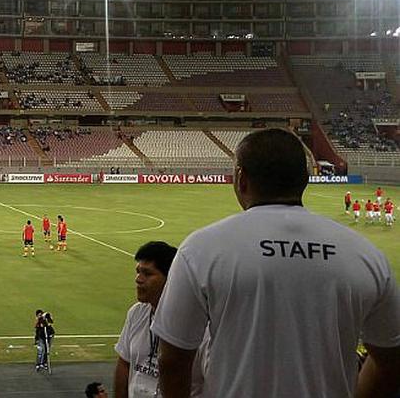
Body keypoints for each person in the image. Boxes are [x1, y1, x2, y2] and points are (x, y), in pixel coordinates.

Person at [152, 128, 400, 398]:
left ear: (241, 179)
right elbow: (391, 360)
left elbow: (173, 359)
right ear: (305, 179)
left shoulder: (200, 249)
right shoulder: (367, 256)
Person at [115, 241, 205, 397]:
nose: (138, 279)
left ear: (171, 278)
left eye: (147, 274)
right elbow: (124, 363)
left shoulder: (200, 324)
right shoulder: (137, 313)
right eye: (138, 272)